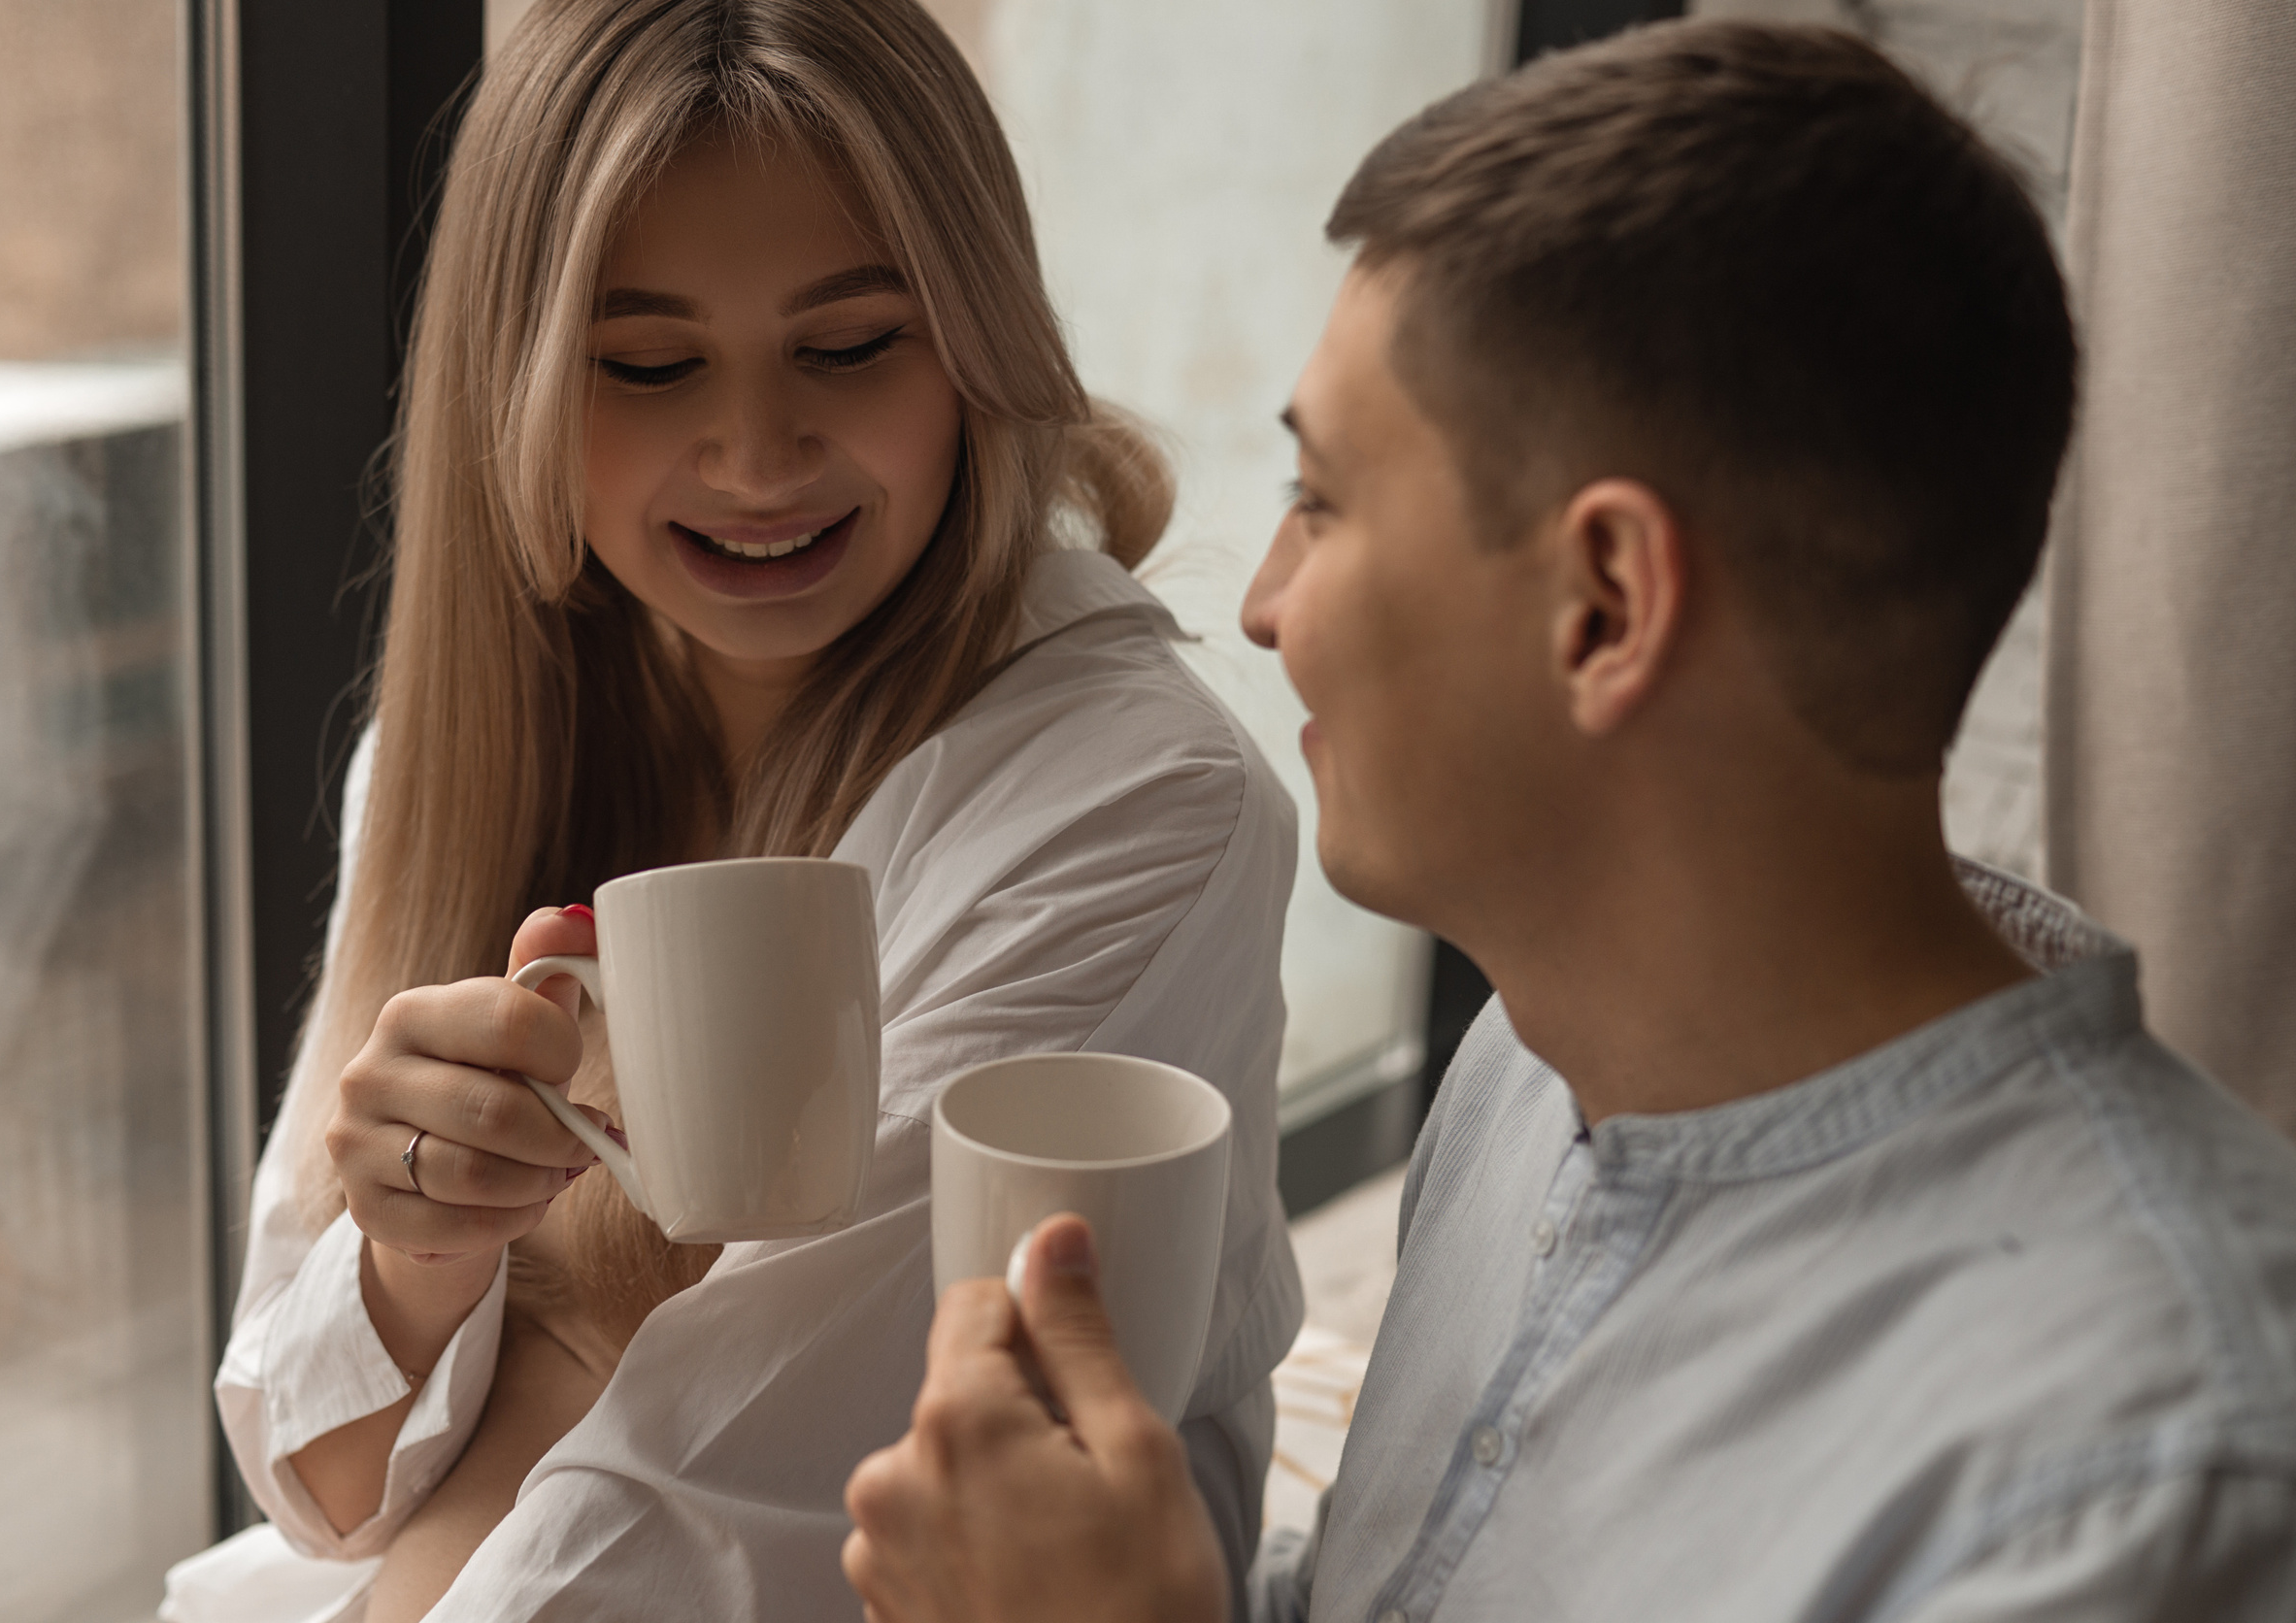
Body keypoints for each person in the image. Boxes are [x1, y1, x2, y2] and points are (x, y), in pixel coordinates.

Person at [842, 21, 2296, 1623]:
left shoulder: (2138, 1490)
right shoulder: (1537, 1074)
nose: (1262, 609)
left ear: (1607, 605)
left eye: (1319, 500)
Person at [159, 2, 1303, 1619]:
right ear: (525, 381)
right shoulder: (452, 754)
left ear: (977, 342)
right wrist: (421, 1255)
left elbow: (722, 1499)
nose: (758, 454)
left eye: (848, 346)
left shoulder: (1140, 807)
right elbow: (318, 1485)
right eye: (646, 364)